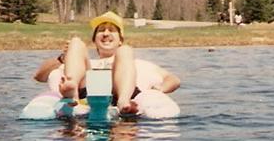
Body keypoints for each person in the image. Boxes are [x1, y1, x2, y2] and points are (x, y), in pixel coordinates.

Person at [33, 11, 180, 115]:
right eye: (101, 30)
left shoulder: (135, 62)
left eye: (112, 30)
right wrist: (64, 56)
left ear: (120, 39)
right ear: (94, 39)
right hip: (86, 92)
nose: (106, 34)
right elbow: (40, 76)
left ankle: (124, 102)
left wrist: (160, 89)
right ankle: (73, 96)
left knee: (125, 51)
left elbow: (173, 79)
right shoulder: (81, 62)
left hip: (122, 92)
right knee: (76, 42)